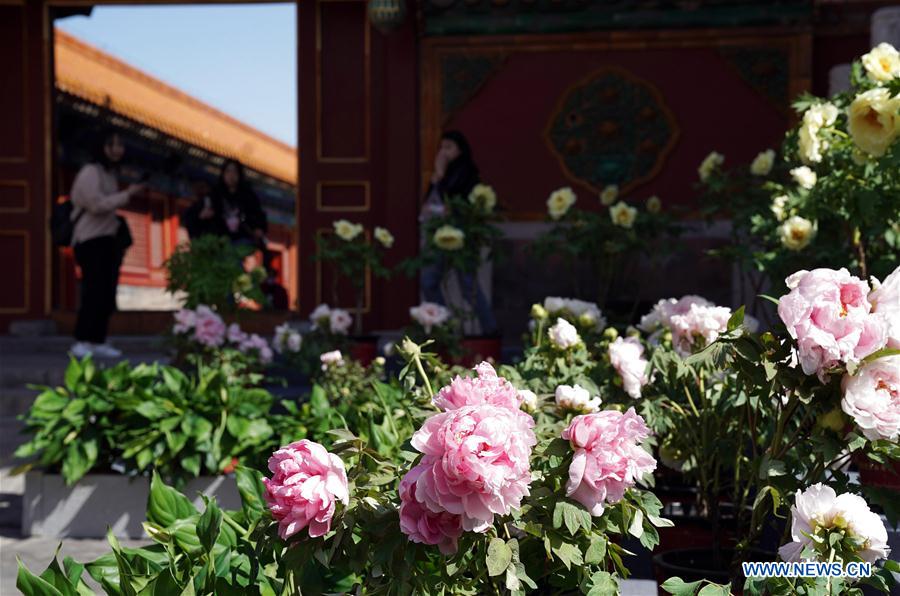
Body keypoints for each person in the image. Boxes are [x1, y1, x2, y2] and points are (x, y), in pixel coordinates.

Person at [70, 129, 145, 358]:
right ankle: (82, 340)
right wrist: (127, 195)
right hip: (90, 239)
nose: (117, 149)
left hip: (107, 240)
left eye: (120, 145)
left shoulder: (109, 173)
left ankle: (97, 339)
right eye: (111, 144)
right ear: (101, 147)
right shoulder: (90, 172)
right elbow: (96, 205)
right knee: (93, 290)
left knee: (106, 292)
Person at [419, 131, 498, 336]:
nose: (443, 153)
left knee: (469, 286)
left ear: (460, 150)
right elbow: (431, 202)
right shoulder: (441, 172)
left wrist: (441, 174)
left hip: (462, 235)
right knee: (429, 281)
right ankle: (445, 328)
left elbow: (452, 201)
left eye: (449, 148)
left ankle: (490, 332)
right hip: (440, 236)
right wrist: (437, 176)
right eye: (441, 147)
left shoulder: (467, 171)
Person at [207, 159, 268, 247]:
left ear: (240, 175)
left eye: (235, 171)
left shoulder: (248, 196)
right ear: (223, 174)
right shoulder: (215, 194)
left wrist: (259, 228)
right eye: (228, 171)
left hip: (242, 239)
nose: (231, 175)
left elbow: (258, 215)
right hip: (220, 240)